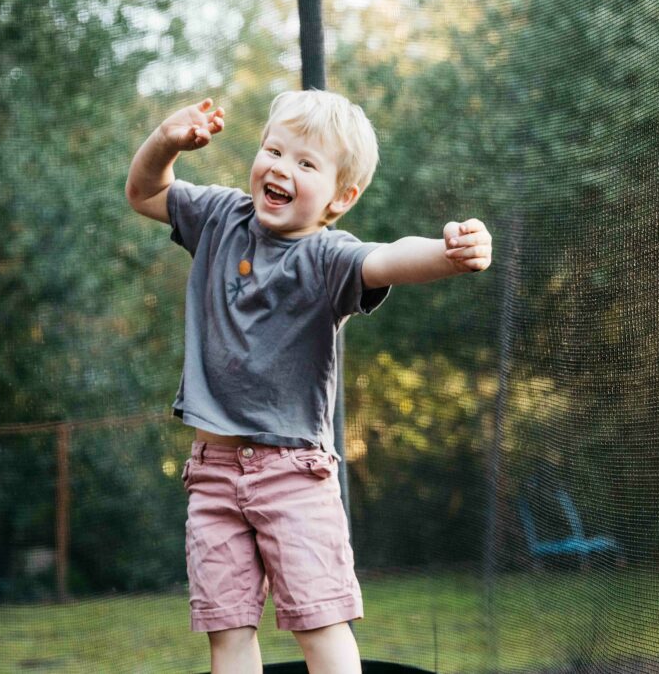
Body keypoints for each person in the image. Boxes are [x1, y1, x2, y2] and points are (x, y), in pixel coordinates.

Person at [125, 90, 491, 674]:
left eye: (306, 163)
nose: (280, 168)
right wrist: (167, 141)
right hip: (213, 476)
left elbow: (391, 257)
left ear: (340, 197)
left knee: (321, 627)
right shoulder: (220, 218)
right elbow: (143, 191)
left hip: (292, 477)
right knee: (228, 636)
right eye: (274, 150)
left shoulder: (328, 258)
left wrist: (450, 254)